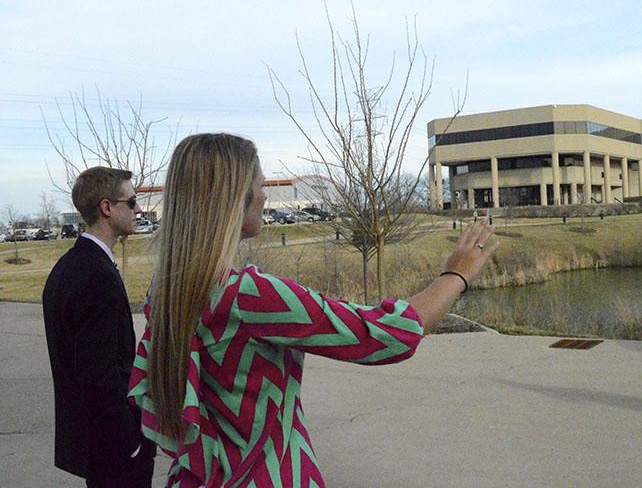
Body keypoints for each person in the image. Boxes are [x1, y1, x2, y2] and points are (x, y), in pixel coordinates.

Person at [128, 133, 498, 487]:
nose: (263, 195)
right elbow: (388, 336)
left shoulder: (164, 293)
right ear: (235, 199)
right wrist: (458, 273)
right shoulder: (248, 296)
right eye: (260, 184)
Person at [42, 167, 156, 487]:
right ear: (107, 208)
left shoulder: (69, 267)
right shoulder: (96, 277)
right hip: (114, 450)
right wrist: (131, 443)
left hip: (95, 446)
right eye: (131, 201)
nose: (138, 210)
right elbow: (98, 375)